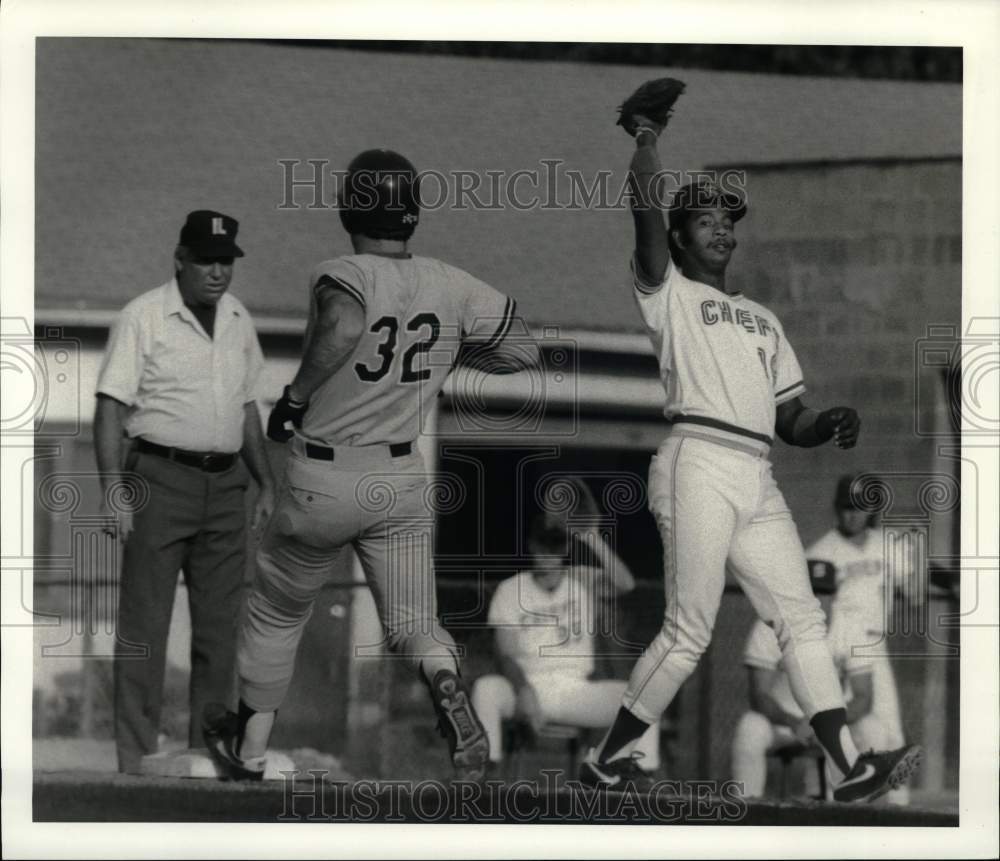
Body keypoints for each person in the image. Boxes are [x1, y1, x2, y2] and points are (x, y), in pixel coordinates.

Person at [578, 86, 921, 803]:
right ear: (679, 238)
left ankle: (852, 763)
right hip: (696, 458)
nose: (722, 230)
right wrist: (644, 139)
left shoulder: (762, 318)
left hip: (755, 470)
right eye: (705, 221)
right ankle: (609, 756)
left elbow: (790, 417)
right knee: (689, 628)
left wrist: (824, 424)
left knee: (800, 618)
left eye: (728, 221)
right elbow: (644, 209)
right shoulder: (666, 290)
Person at [202, 149, 540, 782]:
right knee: (416, 624)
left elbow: (343, 320)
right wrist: (445, 358)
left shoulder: (344, 269)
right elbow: (521, 348)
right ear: (413, 212)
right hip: (401, 475)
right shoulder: (452, 281)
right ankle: (446, 686)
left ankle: (247, 753)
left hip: (325, 473)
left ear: (348, 208)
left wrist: (295, 397)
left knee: (276, 613)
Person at [94, 210, 275, 774]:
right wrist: (113, 490)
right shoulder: (144, 316)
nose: (218, 272)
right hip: (159, 479)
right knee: (145, 627)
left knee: (221, 630)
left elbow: (248, 407)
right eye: (206, 260)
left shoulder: (240, 318)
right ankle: (134, 759)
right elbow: (110, 408)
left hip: (226, 486)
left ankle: (207, 755)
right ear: (180, 259)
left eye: (226, 261)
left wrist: (267, 481)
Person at [473, 479, 660, 777]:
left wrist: (593, 538)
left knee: (643, 696)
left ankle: (639, 776)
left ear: (565, 547)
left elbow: (626, 584)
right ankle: (483, 774)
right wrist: (523, 690)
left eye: (555, 546)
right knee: (486, 688)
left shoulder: (581, 580)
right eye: (542, 545)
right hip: (529, 687)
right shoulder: (511, 589)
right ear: (531, 545)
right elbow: (505, 654)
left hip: (576, 689)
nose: (548, 554)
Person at [803, 473, 921, 803]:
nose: (851, 514)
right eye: (844, 507)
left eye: (858, 508)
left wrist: (917, 572)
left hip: (872, 644)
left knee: (889, 729)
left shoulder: (887, 544)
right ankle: (818, 798)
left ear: (872, 509)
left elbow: (914, 595)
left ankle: (898, 807)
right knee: (828, 726)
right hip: (833, 646)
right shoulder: (822, 550)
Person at [731, 603, 910, 804]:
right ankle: (746, 810)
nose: (817, 598)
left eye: (825, 590)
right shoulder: (770, 624)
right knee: (750, 728)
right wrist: (794, 723)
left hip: (833, 721)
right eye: (812, 588)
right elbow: (759, 695)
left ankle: (862, 814)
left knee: (873, 729)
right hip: (785, 723)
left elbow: (863, 697)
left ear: (834, 592)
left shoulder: (850, 626)